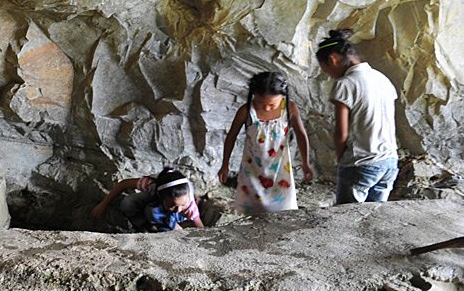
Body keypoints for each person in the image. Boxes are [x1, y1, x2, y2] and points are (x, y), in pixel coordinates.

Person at [316, 29, 398, 204]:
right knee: (375, 219)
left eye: (326, 69)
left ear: (332, 59)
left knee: (348, 222)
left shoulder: (345, 84)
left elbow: (341, 132)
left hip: (362, 162)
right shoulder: (382, 78)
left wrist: (342, 161)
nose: (329, 75)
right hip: (389, 161)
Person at [219, 71, 313, 215]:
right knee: (253, 211)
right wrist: (224, 164)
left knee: (283, 210)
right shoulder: (246, 111)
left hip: (280, 170)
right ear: (254, 96)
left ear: (283, 97)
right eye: (261, 103)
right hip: (252, 170)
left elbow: (301, 136)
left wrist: (306, 164)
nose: (267, 108)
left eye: (272, 105)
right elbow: (231, 137)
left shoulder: (289, 109)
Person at [92, 166, 204, 232]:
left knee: (152, 212)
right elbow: (124, 184)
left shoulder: (187, 203)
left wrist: (178, 229)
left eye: (182, 205)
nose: (179, 209)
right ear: (161, 197)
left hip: (174, 216)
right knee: (128, 203)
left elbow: (199, 226)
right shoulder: (151, 184)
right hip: (155, 199)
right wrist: (103, 204)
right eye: (173, 205)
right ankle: (144, 225)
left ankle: (166, 226)